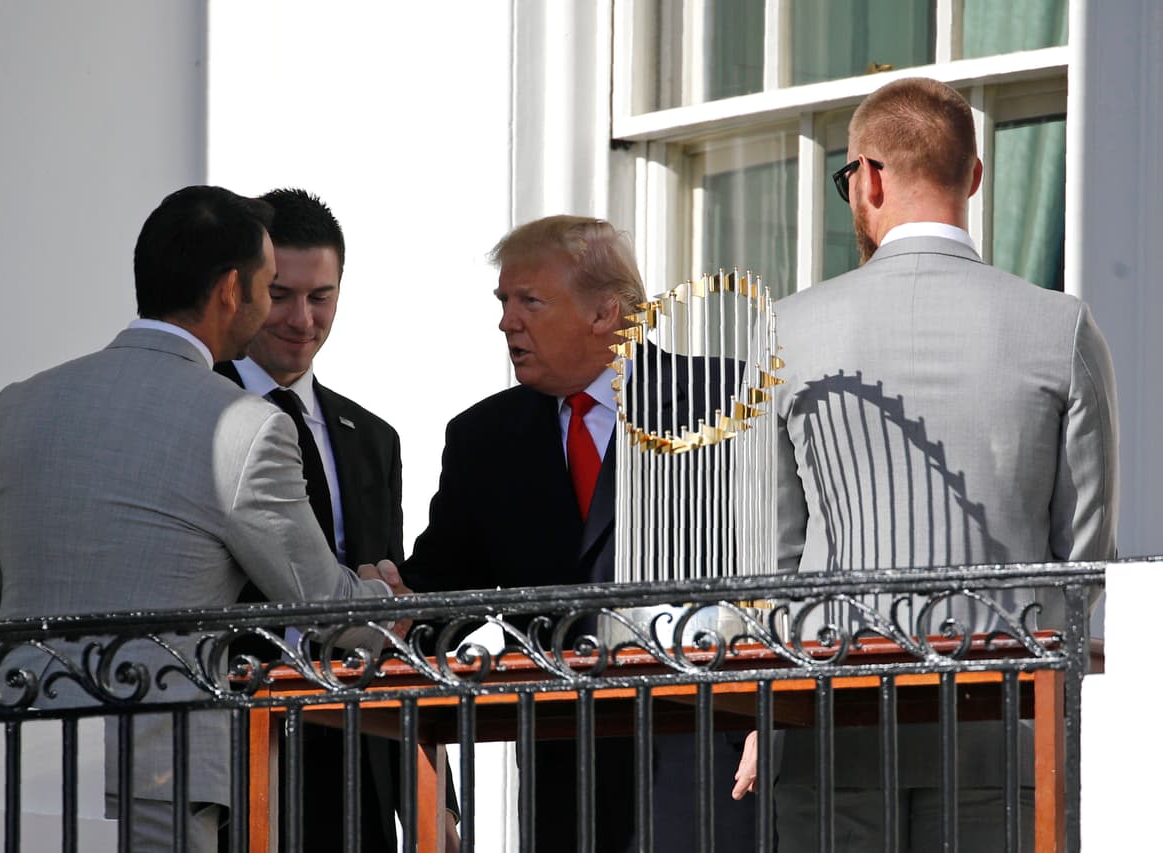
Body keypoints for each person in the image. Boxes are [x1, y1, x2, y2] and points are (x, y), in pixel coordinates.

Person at [0, 185, 402, 853]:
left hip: (17, 772)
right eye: (270, 287)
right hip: (161, 772)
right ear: (228, 292)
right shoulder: (242, 424)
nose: (285, 308)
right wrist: (387, 605)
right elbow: (325, 606)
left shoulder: (16, 405)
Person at [743, 77, 1119, 851]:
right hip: (1005, 729)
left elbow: (767, 561)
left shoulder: (787, 330)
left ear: (869, 178)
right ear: (974, 177)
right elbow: (1083, 560)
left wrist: (762, 710)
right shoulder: (1059, 326)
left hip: (829, 724)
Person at [401, 215, 757, 852]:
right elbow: (441, 593)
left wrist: (772, 718)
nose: (508, 321)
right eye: (503, 302)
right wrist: (376, 602)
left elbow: (773, 565)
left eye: (529, 301)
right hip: (563, 774)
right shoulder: (484, 438)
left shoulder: (721, 400)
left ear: (604, 314)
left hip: (702, 757)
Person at [214, 188, 446, 852]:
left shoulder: (373, 437)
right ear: (243, 290)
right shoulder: (198, 411)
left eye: (322, 296)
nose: (301, 318)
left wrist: (434, 794)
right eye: (281, 294)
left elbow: (395, 611)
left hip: (356, 747)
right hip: (238, 739)